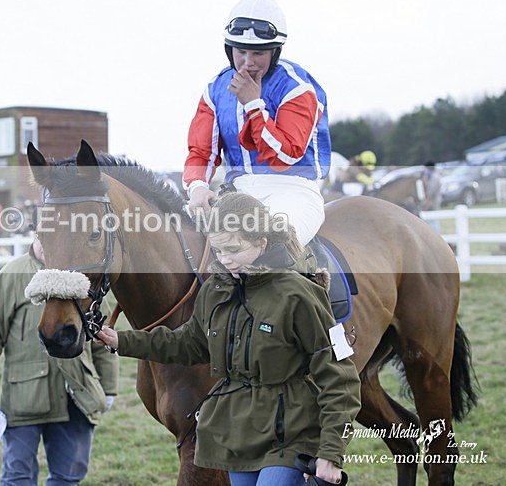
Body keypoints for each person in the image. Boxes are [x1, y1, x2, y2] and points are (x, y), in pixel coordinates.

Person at [97, 193, 360, 486]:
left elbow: (340, 377)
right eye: (219, 250)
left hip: (291, 435)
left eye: (234, 249)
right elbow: (188, 343)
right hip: (235, 436)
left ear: (261, 243)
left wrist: (331, 453)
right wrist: (123, 341)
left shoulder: (300, 294)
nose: (225, 260)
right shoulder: (215, 291)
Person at [0, 236, 119, 486]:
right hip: (23, 398)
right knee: (17, 477)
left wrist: (109, 386)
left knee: (68, 476)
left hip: (76, 397)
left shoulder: (84, 277)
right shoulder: (13, 274)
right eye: (43, 236)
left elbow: (101, 334)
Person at [184, 0, 330, 247]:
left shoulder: (297, 88)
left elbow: (284, 157)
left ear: (275, 52)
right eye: (241, 51)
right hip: (236, 193)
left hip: (293, 190)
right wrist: (197, 187)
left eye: (258, 53)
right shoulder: (215, 89)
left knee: (268, 250)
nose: (248, 62)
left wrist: (253, 105)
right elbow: (201, 152)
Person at [421, 161, 443, 231]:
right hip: (430, 203)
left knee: (434, 223)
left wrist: (425, 181)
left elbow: (431, 192)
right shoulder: (431, 177)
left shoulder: (435, 178)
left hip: (434, 203)